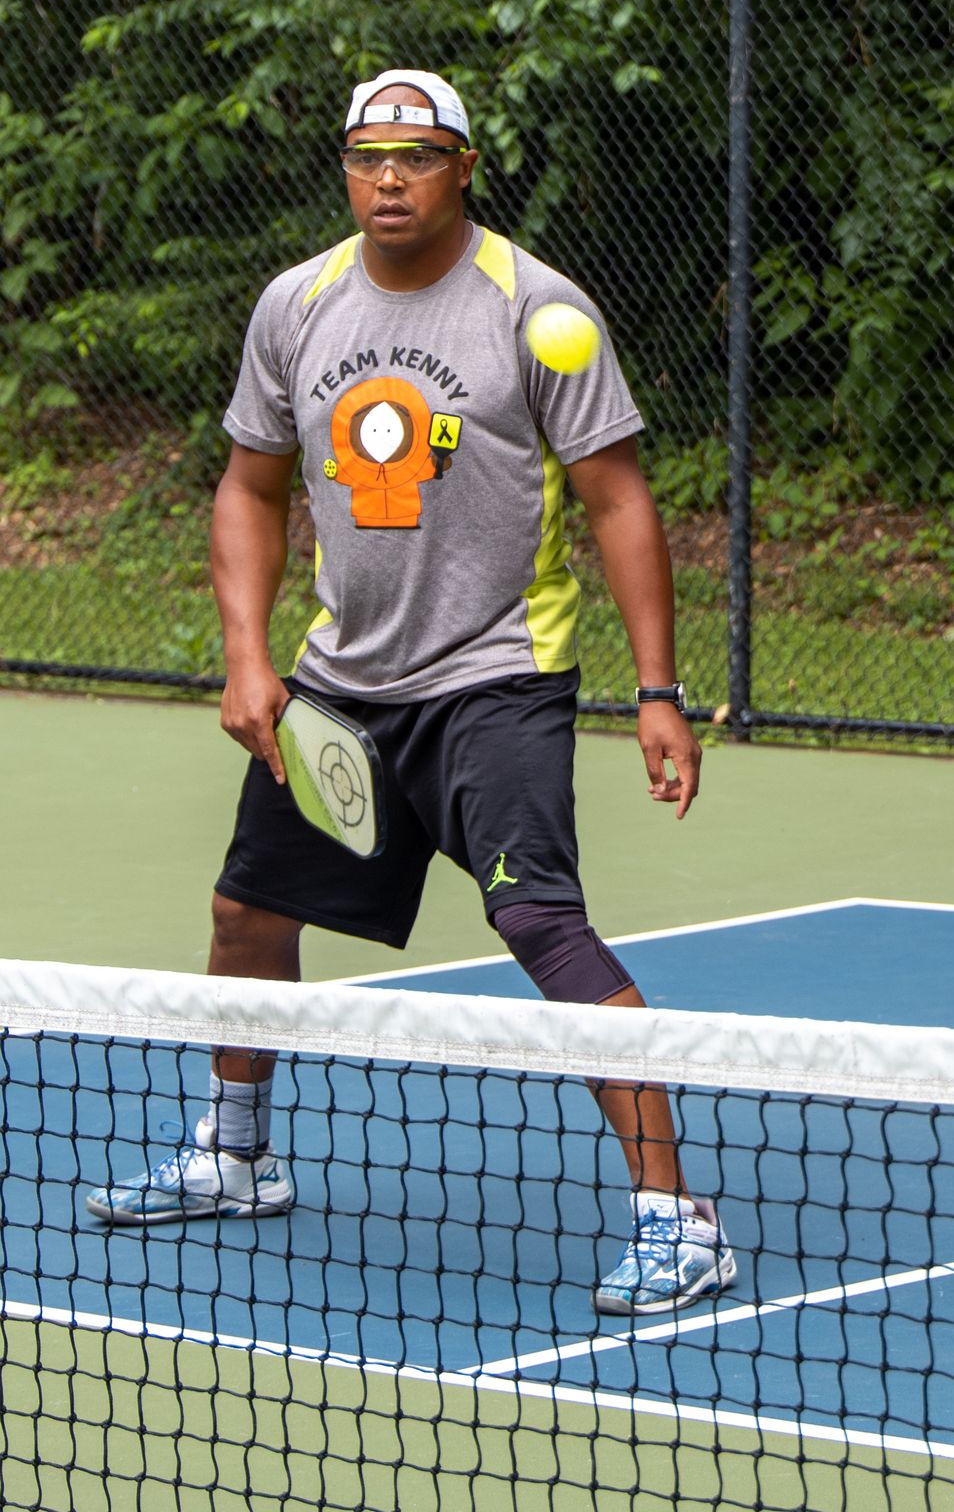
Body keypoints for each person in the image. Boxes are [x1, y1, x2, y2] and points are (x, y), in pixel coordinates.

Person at [83, 69, 731, 1316]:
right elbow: (249, 486)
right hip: (342, 684)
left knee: (541, 927)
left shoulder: (540, 313)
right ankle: (233, 1152)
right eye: (367, 156)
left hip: (498, 679)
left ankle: (676, 1217)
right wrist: (247, 656)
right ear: (344, 170)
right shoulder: (298, 304)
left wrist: (659, 689)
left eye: (417, 155)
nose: (389, 177)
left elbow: (619, 502)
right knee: (245, 918)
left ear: (464, 168)